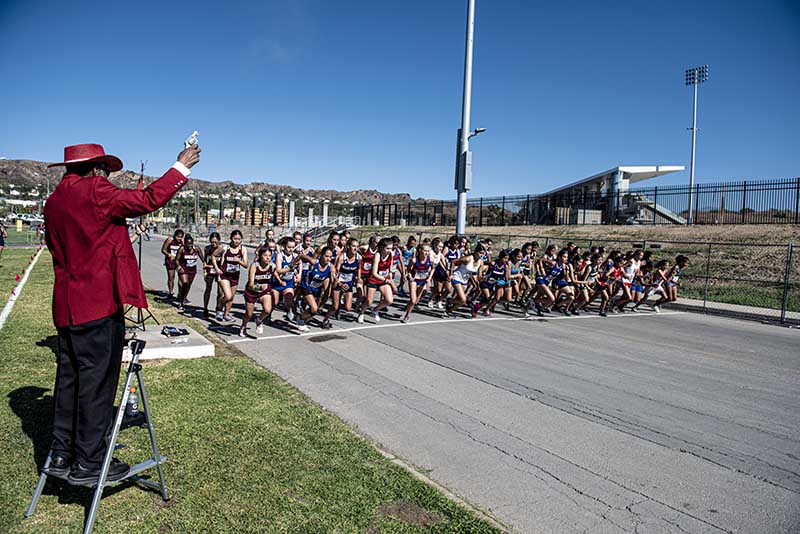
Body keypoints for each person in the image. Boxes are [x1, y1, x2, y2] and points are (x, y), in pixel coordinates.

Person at [43, 141, 200, 484]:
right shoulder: (97, 191)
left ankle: (60, 454)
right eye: (107, 172)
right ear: (97, 169)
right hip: (97, 304)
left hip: (66, 305)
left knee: (69, 382)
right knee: (97, 385)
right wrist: (181, 167)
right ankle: (89, 461)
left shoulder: (53, 201)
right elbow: (146, 201)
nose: (108, 177)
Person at [240, 246, 276, 337]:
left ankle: (259, 320)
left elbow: (278, 272)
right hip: (252, 291)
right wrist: (260, 288)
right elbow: (250, 285)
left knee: (267, 310)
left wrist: (292, 266)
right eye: (265, 255)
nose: (268, 257)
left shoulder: (272, 266)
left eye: (269, 255)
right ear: (260, 256)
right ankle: (243, 326)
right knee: (249, 314)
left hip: (265, 291)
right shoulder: (254, 266)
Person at [213, 230, 248, 322]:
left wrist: (239, 261)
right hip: (224, 274)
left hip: (235, 275)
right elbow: (213, 255)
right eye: (235, 239)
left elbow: (246, 265)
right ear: (231, 238)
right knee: (227, 296)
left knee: (231, 297)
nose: (237, 241)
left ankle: (226, 314)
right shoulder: (225, 248)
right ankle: (219, 308)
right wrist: (217, 268)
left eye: (239, 239)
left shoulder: (242, 249)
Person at [175, 234, 203, 311]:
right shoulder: (182, 249)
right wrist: (179, 267)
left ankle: (183, 298)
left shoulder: (196, 249)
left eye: (191, 244)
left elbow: (202, 258)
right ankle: (180, 303)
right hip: (183, 269)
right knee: (185, 283)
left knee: (188, 285)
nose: (190, 246)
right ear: (185, 244)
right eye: (188, 244)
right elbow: (176, 259)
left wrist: (206, 265)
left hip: (192, 270)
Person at [202, 232, 222, 317]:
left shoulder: (221, 249)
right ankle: (205, 308)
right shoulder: (207, 249)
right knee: (208, 289)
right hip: (210, 271)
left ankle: (218, 309)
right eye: (212, 242)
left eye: (215, 242)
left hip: (219, 271)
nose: (214, 244)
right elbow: (205, 260)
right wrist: (205, 271)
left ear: (219, 241)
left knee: (220, 292)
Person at [161, 229, 184, 299]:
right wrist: (169, 255)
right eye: (178, 237)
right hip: (170, 261)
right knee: (171, 277)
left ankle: (180, 294)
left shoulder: (182, 242)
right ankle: (171, 292)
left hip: (179, 261)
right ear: (175, 236)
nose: (179, 239)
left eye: (181, 237)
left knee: (181, 278)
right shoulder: (170, 240)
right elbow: (163, 250)